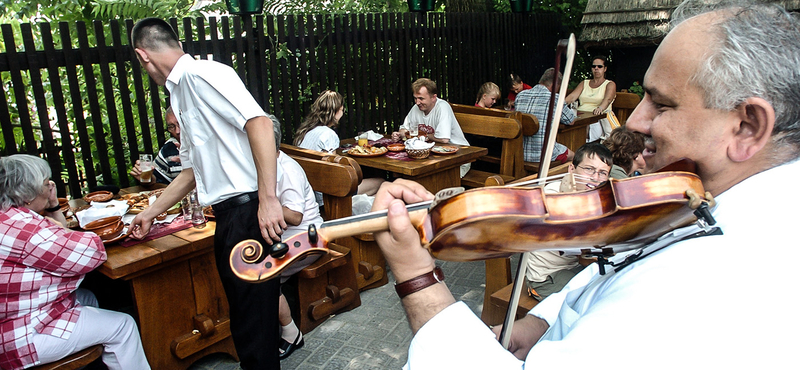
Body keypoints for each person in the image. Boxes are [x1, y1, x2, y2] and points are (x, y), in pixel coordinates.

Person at [368, 0, 800, 367]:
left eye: (662, 104)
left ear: (747, 127)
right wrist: (543, 321)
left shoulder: (713, 286)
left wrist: (416, 277)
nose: (636, 120)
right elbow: (612, 276)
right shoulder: (703, 198)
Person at [129, 18, 286, 370]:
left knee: (255, 327)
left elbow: (258, 122)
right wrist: (150, 212)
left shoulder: (201, 75)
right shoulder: (179, 92)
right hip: (230, 218)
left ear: (143, 56)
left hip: (249, 213)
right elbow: (190, 173)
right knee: (247, 323)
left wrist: (269, 199)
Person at [0, 154, 149, 370]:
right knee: (123, 325)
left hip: (14, 316)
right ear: (27, 194)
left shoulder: (9, 216)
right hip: (19, 336)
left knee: (87, 297)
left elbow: (60, 238)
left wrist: (52, 205)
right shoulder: (24, 229)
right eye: (45, 184)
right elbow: (89, 253)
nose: (50, 186)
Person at [524, 143, 612, 301]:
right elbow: (561, 226)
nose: (595, 177)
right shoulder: (552, 192)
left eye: (602, 173)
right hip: (546, 277)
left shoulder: (596, 199)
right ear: (572, 170)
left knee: (614, 285)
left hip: (575, 267)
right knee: (594, 300)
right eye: (589, 169)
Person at [270, 114, 323, 360]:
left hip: (307, 238)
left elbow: (294, 216)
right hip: (281, 237)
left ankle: (291, 333)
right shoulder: (267, 163)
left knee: (264, 276)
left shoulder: (286, 169)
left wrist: (261, 204)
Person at [295, 90, 383, 198]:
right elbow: (334, 173)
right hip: (326, 195)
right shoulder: (328, 135)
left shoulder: (305, 132)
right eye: (342, 109)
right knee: (381, 183)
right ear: (336, 111)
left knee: (372, 195)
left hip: (310, 191)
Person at [392, 78, 471, 177]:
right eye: (415, 98)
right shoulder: (416, 108)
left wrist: (424, 136)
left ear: (433, 97)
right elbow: (404, 129)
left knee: (434, 179)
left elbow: (443, 139)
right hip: (431, 157)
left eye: (421, 98)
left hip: (458, 158)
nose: (417, 102)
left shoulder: (442, 107)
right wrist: (399, 134)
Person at [515, 68, 576, 164]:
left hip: (520, 152)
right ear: (554, 85)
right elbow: (571, 120)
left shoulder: (520, 96)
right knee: (575, 157)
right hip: (544, 154)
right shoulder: (555, 99)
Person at [565, 55, 617, 142]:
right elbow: (572, 97)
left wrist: (600, 108)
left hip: (598, 116)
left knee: (591, 127)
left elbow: (608, 99)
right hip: (580, 116)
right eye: (594, 66)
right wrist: (559, 105)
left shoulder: (610, 84)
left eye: (599, 66)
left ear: (605, 69)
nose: (596, 68)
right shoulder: (584, 83)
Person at [130, 106, 181, 184]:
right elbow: (158, 183)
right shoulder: (169, 148)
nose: (177, 131)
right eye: (172, 126)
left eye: (180, 124)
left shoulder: (205, 145)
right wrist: (147, 178)